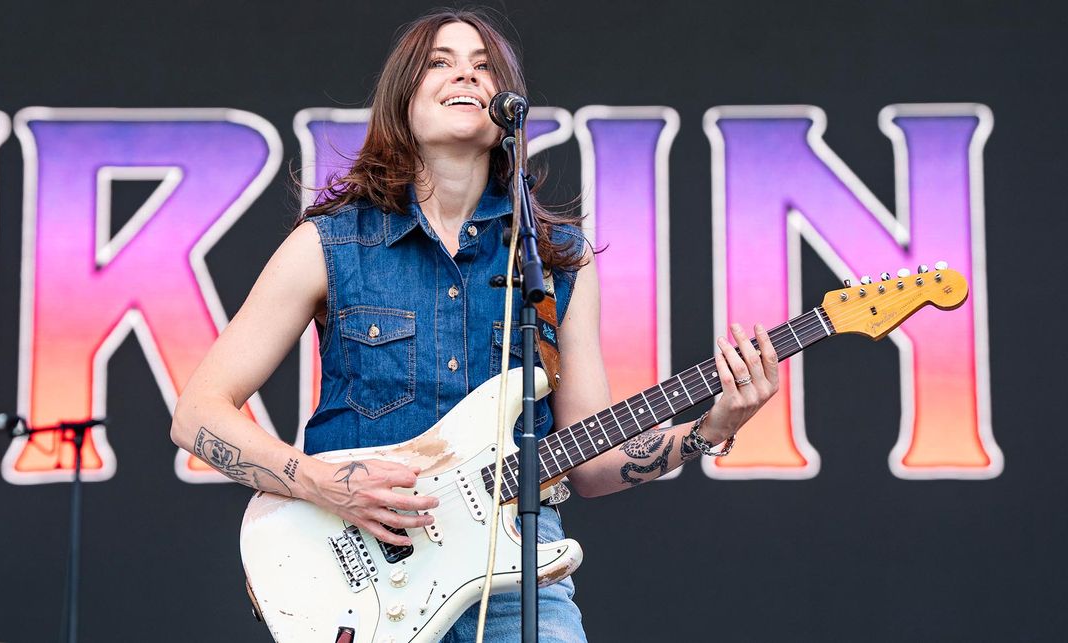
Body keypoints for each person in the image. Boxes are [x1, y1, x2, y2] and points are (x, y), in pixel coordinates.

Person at [169, 9, 779, 642]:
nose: (466, 73)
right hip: (370, 575)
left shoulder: (557, 259)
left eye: (484, 66)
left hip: (520, 579)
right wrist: (327, 484)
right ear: (403, 98)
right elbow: (196, 414)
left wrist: (711, 429)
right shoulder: (331, 243)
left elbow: (592, 463)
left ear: (506, 109)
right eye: (441, 61)